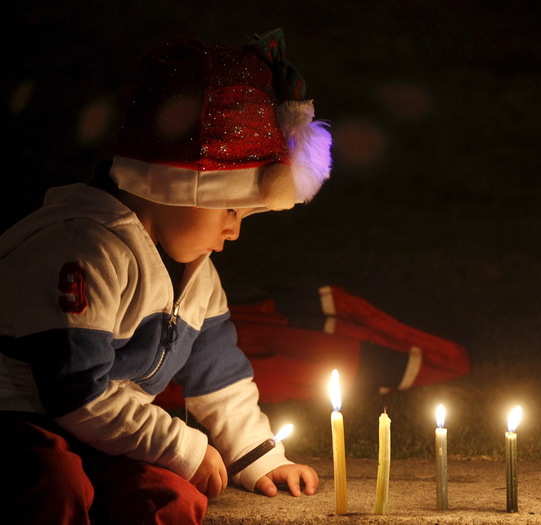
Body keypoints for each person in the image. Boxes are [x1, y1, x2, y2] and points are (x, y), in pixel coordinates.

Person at [0, 29, 330, 524]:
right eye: (230, 209)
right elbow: (74, 390)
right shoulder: (84, 248)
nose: (234, 232)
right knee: (54, 485)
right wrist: (181, 443)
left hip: (100, 432)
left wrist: (260, 458)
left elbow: (219, 377)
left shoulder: (197, 273)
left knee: (171, 497)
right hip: (24, 421)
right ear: (173, 186)